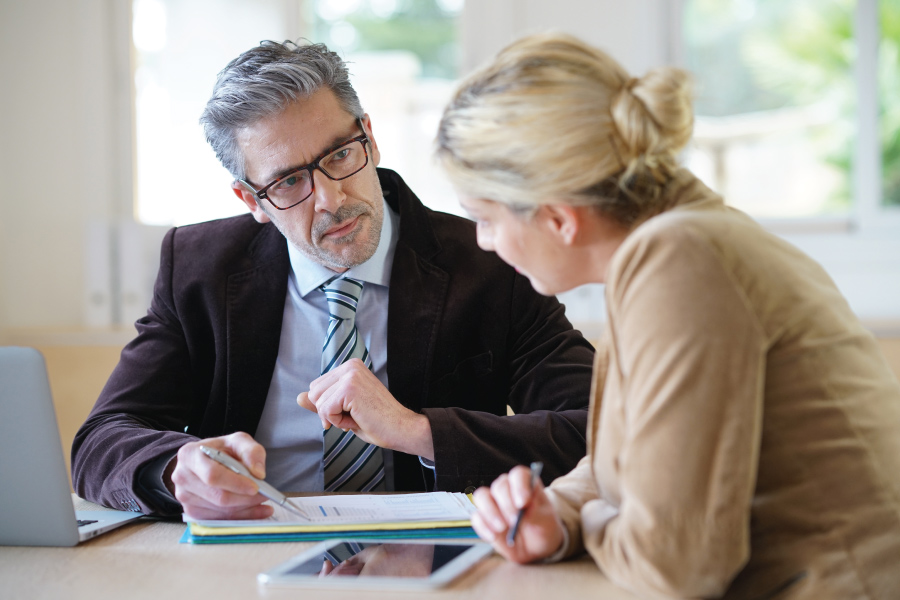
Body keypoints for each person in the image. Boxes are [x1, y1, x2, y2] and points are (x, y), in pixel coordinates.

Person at [435, 32, 900, 600]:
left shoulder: (682, 261)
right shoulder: (674, 238)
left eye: (484, 217)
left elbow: (676, 564)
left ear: (558, 218)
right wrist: (556, 514)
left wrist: (595, 519)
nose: (483, 244)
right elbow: (619, 464)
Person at [72, 40, 595, 520]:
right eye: (289, 181)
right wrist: (174, 468)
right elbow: (99, 441)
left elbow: (600, 429)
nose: (331, 200)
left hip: (434, 554)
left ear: (369, 136)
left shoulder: (489, 261)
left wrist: (420, 432)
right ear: (251, 200)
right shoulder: (198, 267)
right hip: (246, 552)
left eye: (340, 155)